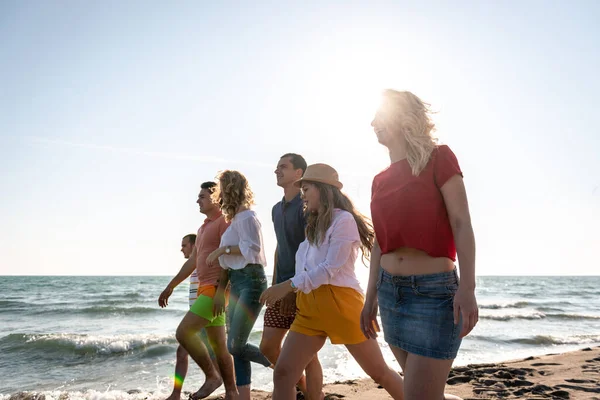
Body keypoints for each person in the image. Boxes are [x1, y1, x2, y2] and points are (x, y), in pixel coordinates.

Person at [361, 90, 478, 400]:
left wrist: (467, 288)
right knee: (423, 393)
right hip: (389, 295)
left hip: (434, 294)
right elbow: (379, 244)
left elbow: (461, 223)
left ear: (403, 117)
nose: (374, 122)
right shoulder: (379, 179)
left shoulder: (439, 158)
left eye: (381, 115)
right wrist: (370, 296)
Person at [260, 163, 405, 400]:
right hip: (309, 308)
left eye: (307, 189)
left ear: (323, 189)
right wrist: (293, 292)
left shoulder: (343, 220)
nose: (303, 195)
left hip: (342, 305)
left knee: (379, 373)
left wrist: (287, 285)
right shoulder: (313, 224)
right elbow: (305, 266)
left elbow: (330, 268)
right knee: (284, 373)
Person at [158, 182, 237, 400]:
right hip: (205, 289)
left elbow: (230, 259)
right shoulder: (202, 228)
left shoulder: (225, 222)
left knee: (183, 333)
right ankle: (232, 392)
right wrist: (171, 285)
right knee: (220, 348)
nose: (198, 200)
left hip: (215, 289)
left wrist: (222, 291)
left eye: (202, 196)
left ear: (215, 197)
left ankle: (212, 376)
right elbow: (192, 261)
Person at [260, 154, 323, 400]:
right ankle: (306, 389)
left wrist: (292, 289)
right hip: (281, 285)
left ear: (299, 173)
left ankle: (313, 396)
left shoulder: (307, 206)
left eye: (283, 167)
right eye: (276, 167)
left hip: (304, 287)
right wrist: (276, 284)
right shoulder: (276, 209)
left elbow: (312, 252)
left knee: (308, 356)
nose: (277, 170)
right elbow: (280, 248)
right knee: (267, 347)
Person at [205, 170, 272, 400]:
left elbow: (251, 250)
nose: (219, 193)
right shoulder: (235, 218)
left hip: (252, 281)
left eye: (221, 188)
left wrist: (221, 249)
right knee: (237, 347)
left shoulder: (247, 217)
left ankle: (282, 364)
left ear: (231, 188)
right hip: (237, 281)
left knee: (235, 345)